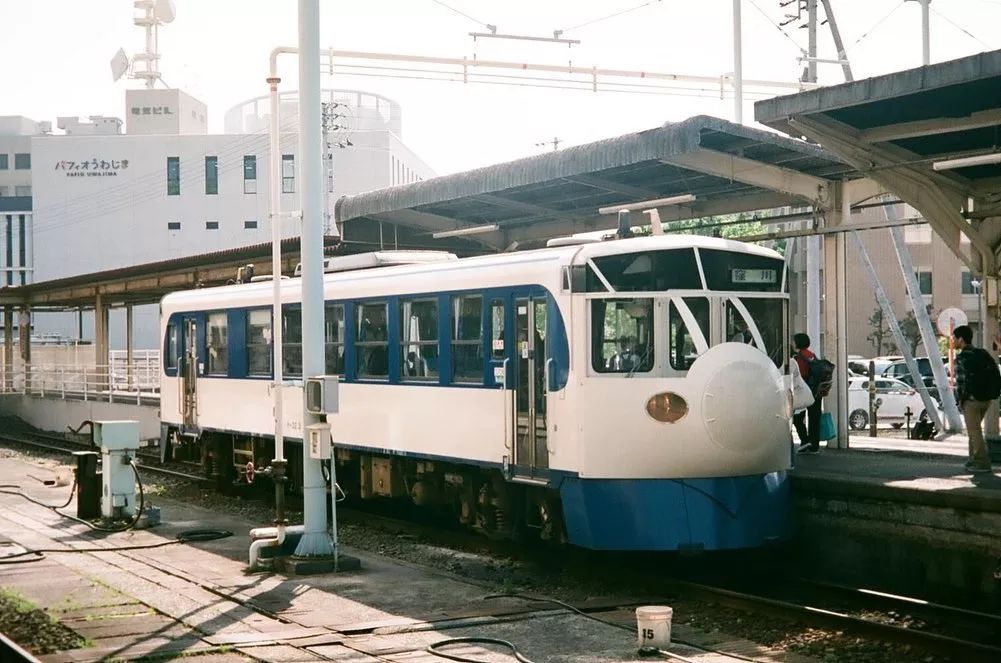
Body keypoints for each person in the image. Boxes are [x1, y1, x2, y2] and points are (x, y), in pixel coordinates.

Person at [953, 325, 995, 474]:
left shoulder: (961, 358)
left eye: (955, 338)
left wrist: (960, 401)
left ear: (961, 339)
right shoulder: (982, 353)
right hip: (986, 398)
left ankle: (982, 462)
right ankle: (973, 460)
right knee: (974, 430)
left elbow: (961, 383)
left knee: (974, 432)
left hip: (971, 400)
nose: (953, 341)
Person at [792, 333, 822, 453]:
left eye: (793, 341)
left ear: (798, 342)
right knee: (814, 418)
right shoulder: (812, 355)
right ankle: (814, 445)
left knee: (797, 417)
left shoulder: (799, 357)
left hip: (804, 391)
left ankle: (805, 440)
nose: (792, 343)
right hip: (816, 390)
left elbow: (799, 375)